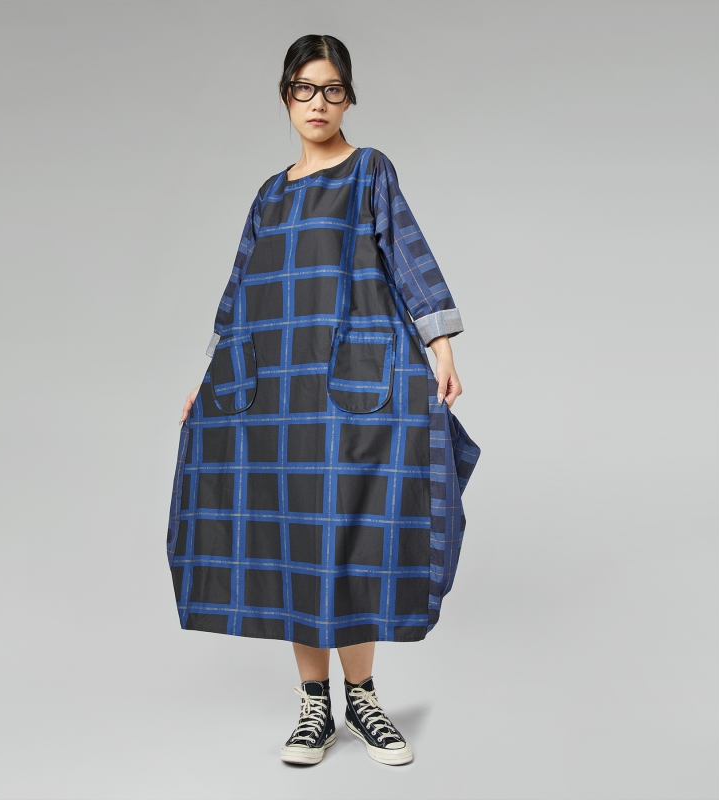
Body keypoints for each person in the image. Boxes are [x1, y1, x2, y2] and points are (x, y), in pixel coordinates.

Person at [168, 34, 480, 767]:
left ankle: (363, 698)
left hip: (352, 385)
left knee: (355, 534)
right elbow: (239, 292)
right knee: (295, 539)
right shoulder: (268, 194)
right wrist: (209, 378)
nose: (319, 103)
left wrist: (441, 347)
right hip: (277, 392)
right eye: (305, 89)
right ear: (286, 97)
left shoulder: (369, 170)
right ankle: (315, 707)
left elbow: (407, 252)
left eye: (332, 89)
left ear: (349, 97)